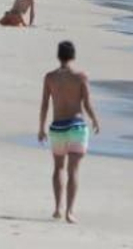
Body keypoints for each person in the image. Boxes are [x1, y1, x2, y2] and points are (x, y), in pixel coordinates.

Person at [38, 40, 101, 223]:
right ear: (73, 56)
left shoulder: (49, 77)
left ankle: (57, 208)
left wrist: (41, 128)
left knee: (58, 168)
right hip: (76, 126)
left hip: (57, 127)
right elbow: (86, 103)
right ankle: (70, 212)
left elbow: (44, 105)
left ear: (58, 56)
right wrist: (95, 119)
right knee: (73, 171)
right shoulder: (80, 77)